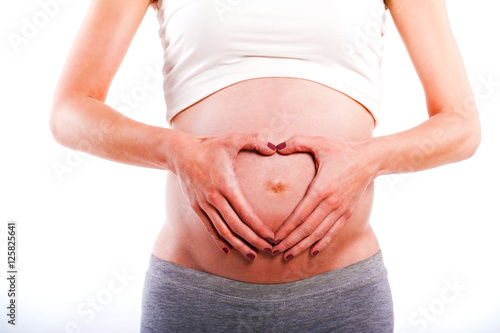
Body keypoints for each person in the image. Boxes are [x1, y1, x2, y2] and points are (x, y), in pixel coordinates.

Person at [49, 0, 481, 331]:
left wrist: (367, 161)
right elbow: (71, 111)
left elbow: (461, 124)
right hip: (197, 293)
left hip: (340, 295)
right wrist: (176, 152)